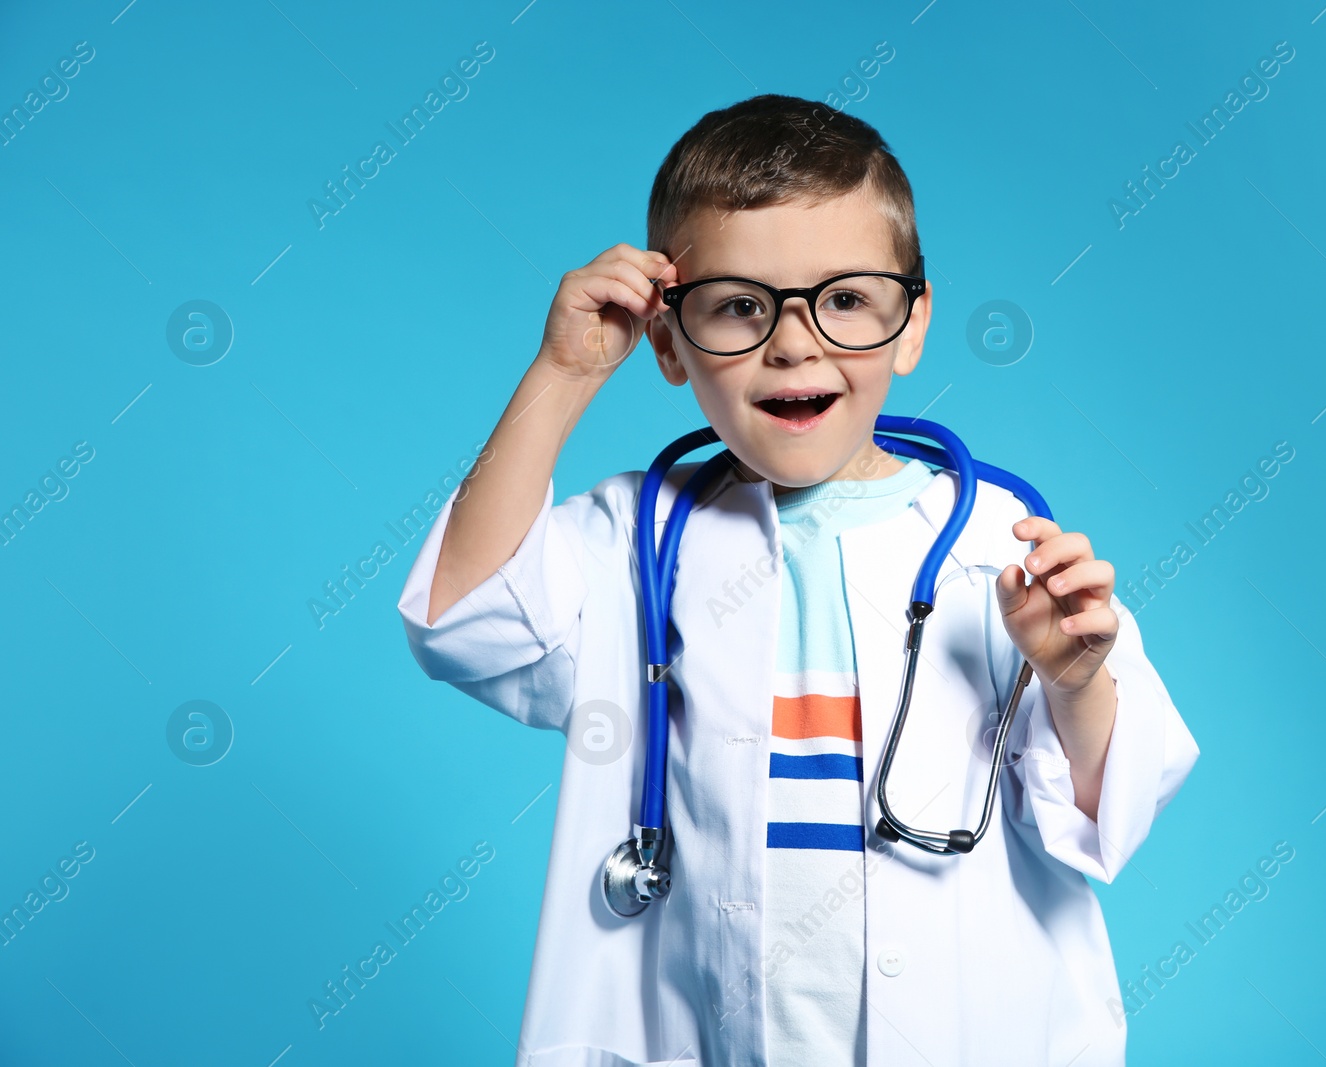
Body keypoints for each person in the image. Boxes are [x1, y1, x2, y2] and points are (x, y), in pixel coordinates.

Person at [397, 92, 1199, 1067]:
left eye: (846, 298)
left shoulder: (1001, 547)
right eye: (738, 305)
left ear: (910, 324)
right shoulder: (635, 539)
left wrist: (1076, 680)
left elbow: (1104, 810)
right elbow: (464, 622)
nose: (793, 340)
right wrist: (561, 373)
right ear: (666, 337)